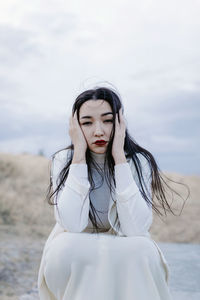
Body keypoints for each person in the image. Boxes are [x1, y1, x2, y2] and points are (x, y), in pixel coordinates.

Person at [37, 86, 188, 300]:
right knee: (65, 247)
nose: (98, 131)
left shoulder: (138, 161)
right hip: (76, 241)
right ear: (75, 127)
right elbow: (72, 225)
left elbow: (135, 229)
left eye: (107, 120)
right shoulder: (64, 159)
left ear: (120, 122)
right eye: (87, 123)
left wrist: (120, 159)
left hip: (123, 240)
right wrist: (78, 157)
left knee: (142, 249)